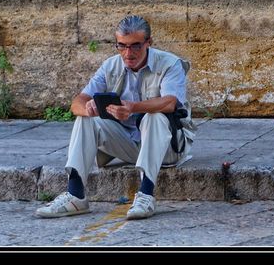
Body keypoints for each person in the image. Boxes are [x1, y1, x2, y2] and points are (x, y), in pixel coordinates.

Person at [36, 15, 195, 220]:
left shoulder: (170, 64)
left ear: (149, 43)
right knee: (85, 118)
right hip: (128, 144)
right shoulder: (111, 65)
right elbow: (77, 103)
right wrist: (89, 108)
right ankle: (75, 195)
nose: (128, 53)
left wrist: (134, 108)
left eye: (136, 46)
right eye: (122, 46)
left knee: (154, 116)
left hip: (168, 147)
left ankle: (145, 194)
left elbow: (170, 102)